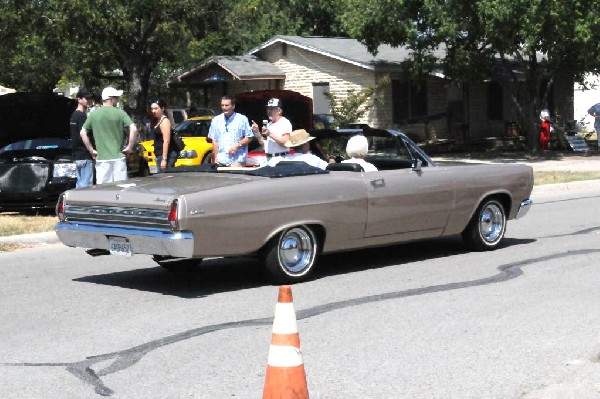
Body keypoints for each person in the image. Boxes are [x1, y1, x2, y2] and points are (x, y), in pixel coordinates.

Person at [80, 86, 138, 184]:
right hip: (118, 158)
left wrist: (91, 150)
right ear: (111, 99)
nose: (118, 100)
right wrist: (129, 147)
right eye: (117, 98)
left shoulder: (94, 114)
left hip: (102, 159)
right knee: (121, 189)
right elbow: (134, 129)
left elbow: (83, 132)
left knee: (104, 191)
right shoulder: (120, 113)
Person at [207, 95, 254, 166]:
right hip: (221, 160)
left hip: (237, 160)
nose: (224, 108)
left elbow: (249, 137)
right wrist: (216, 158)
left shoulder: (242, 119)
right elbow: (215, 140)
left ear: (233, 106)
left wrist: (237, 145)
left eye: (227, 105)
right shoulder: (216, 120)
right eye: (222, 105)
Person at [251, 98, 292, 163]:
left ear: (279, 111)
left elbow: (285, 142)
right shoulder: (269, 124)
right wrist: (256, 132)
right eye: (268, 108)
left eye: (272, 108)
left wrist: (270, 134)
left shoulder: (285, 122)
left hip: (281, 158)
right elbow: (263, 143)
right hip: (268, 159)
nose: (269, 111)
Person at [70, 90, 94, 187]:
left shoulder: (73, 115)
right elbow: (83, 135)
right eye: (86, 98)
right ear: (79, 99)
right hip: (85, 155)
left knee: (79, 184)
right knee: (86, 186)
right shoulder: (82, 116)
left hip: (77, 156)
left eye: (90, 98)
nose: (89, 101)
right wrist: (92, 151)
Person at [149, 98, 177, 172]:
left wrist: (164, 159)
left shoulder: (165, 122)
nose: (153, 111)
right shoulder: (158, 121)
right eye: (152, 109)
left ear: (162, 109)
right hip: (159, 155)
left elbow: (166, 141)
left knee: (164, 178)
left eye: (156, 108)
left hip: (166, 155)